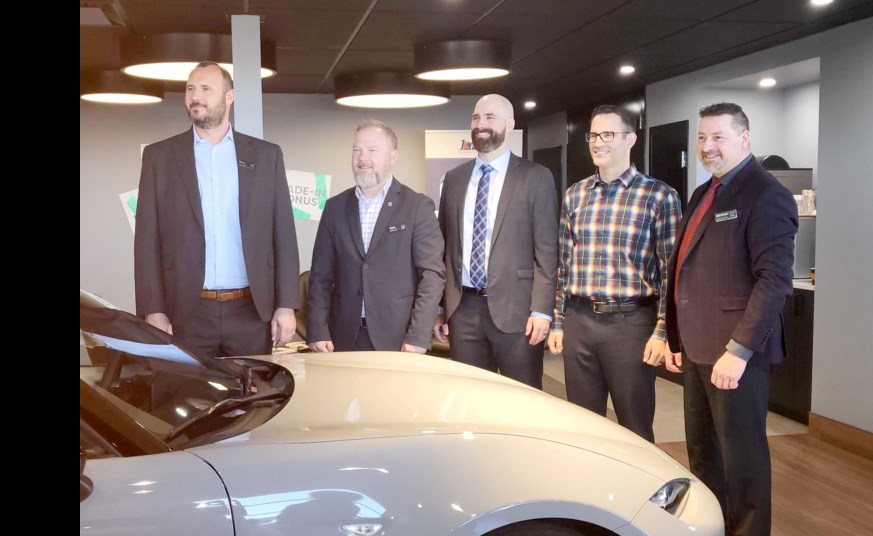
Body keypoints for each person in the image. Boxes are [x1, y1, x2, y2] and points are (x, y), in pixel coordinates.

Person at [665, 102, 798, 536]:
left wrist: (739, 350)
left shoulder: (767, 194)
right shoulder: (705, 192)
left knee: (742, 458)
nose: (707, 146)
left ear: (744, 137)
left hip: (736, 356)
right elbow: (683, 270)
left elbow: (774, 282)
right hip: (699, 349)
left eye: (718, 137)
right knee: (705, 454)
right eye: (702, 137)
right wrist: (675, 338)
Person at [134, 62, 299, 359]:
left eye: (206, 89)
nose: (196, 96)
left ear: (229, 97)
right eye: (190, 89)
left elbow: (284, 235)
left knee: (252, 401)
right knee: (183, 399)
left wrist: (285, 305)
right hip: (184, 312)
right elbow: (146, 241)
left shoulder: (266, 156)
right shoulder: (159, 157)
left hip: (251, 312)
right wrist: (153, 310)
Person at [547, 105, 680, 442]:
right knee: (582, 425)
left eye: (608, 134)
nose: (598, 142)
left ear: (630, 139)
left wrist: (663, 332)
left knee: (635, 427)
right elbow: (564, 263)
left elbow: (671, 273)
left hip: (631, 325)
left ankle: (638, 492)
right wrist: (560, 321)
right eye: (593, 135)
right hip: (579, 321)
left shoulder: (659, 196)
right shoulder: (575, 195)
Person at [433, 94, 558, 389]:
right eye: (476, 118)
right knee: (472, 401)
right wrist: (440, 307)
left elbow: (547, 251)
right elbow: (444, 249)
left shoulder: (536, 177)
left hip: (518, 313)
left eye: (490, 117)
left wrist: (541, 310)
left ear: (510, 124)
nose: (481, 124)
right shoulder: (453, 179)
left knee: (523, 399)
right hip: (463, 312)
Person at [306, 120, 444, 352]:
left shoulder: (416, 206)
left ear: (392, 157)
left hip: (399, 340)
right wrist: (318, 330)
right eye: (356, 149)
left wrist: (419, 336)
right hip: (342, 338)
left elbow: (432, 275)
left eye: (372, 150)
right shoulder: (334, 208)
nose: (362, 158)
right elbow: (320, 275)